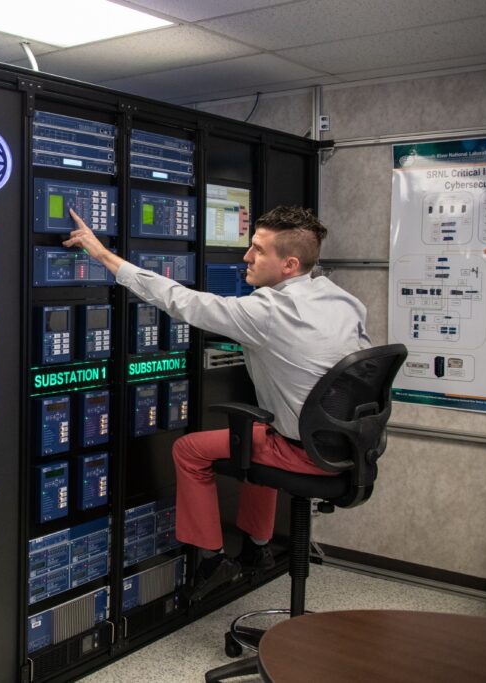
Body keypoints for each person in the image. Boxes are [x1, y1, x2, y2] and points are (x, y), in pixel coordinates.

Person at [63, 205, 370, 601]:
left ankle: (211, 558)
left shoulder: (268, 311)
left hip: (303, 450)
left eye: (258, 250)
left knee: (190, 449)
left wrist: (102, 254)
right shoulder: (341, 299)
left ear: (290, 264)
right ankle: (257, 546)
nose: (247, 257)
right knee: (261, 435)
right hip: (346, 443)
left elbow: (182, 301)